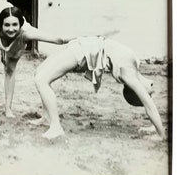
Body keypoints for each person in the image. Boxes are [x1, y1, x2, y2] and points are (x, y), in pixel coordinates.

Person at [31, 36, 166, 140]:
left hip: (84, 50)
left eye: (149, 93)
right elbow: (149, 105)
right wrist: (157, 130)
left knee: (41, 79)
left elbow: (149, 105)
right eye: (150, 93)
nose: (152, 87)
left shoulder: (129, 75)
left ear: (135, 91)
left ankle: (56, 128)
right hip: (86, 45)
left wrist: (160, 134)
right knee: (39, 72)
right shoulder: (134, 66)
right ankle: (46, 117)